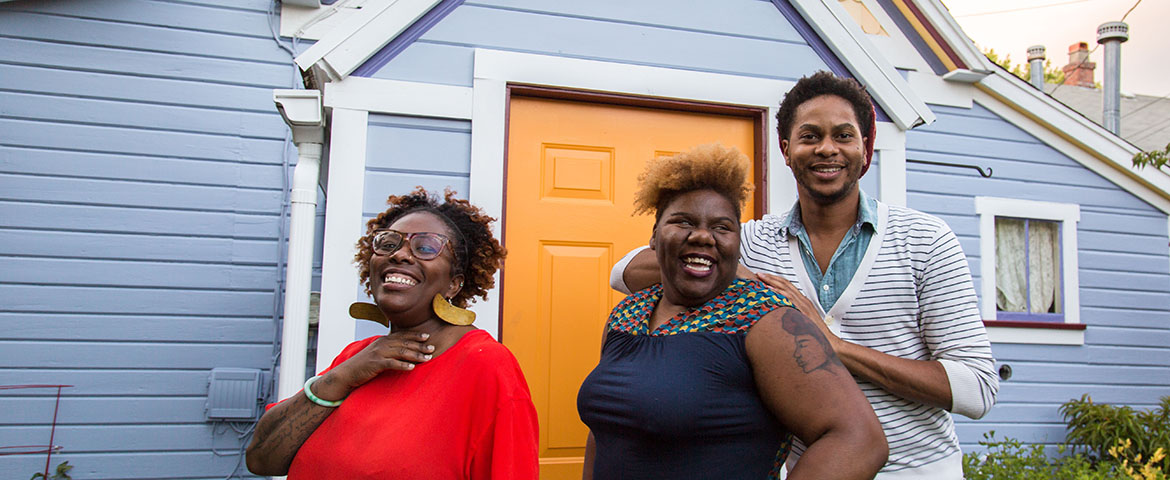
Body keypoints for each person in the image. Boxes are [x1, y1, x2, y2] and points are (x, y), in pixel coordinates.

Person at [611, 72, 999, 478]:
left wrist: (831, 344)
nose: (826, 149)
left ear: (865, 149)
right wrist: (737, 271)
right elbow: (624, 272)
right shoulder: (756, 241)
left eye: (843, 136)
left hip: (917, 471)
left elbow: (975, 388)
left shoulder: (924, 240)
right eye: (810, 136)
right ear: (786, 150)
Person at [578, 144, 887, 480]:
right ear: (653, 237)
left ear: (736, 244)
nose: (702, 236)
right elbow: (605, 432)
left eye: (722, 227)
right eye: (682, 222)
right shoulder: (627, 315)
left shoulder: (766, 320)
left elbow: (860, 440)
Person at [245, 187, 538, 479]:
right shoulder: (357, 355)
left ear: (454, 284)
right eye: (387, 244)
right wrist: (344, 375)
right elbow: (261, 459)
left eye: (425, 247)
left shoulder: (485, 366)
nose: (399, 255)